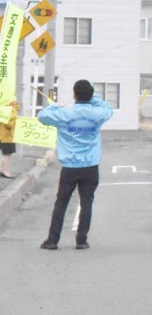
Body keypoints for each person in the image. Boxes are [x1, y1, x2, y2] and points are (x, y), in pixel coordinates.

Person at [38, 79, 115, 250]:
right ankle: (82, 240)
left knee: (61, 202)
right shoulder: (97, 113)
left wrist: (55, 106)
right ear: (91, 95)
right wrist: (92, 97)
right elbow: (108, 109)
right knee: (86, 202)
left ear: (74, 94)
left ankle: (52, 240)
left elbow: (42, 116)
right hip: (90, 165)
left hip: (70, 166)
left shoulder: (64, 113)